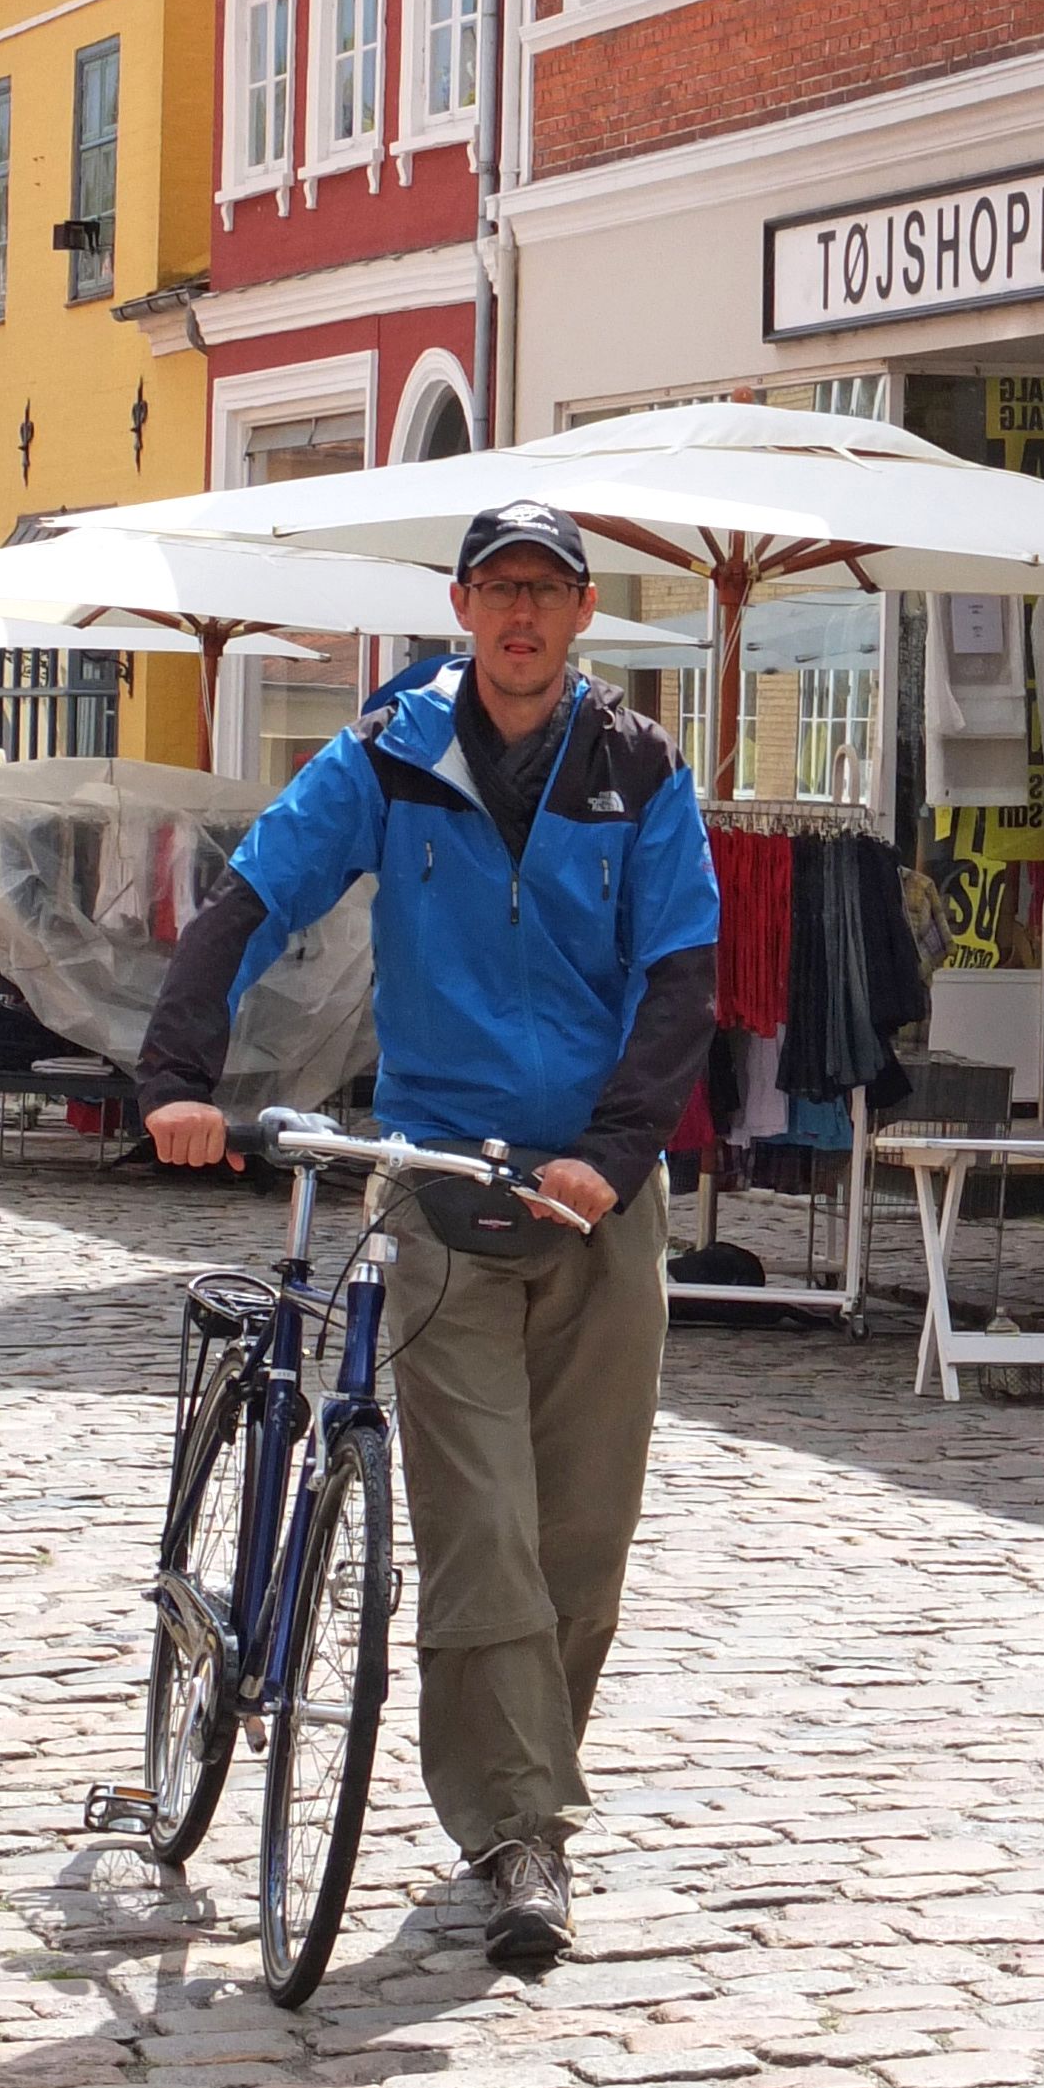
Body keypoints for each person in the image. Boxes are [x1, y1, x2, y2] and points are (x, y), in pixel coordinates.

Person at [136, 498, 717, 1973]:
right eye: (497, 592)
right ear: (460, 607)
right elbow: (257, 894)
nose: (522, 619)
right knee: (484, 1536)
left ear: (584, 613)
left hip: (596, 1195)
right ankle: (523, 1833)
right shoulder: (388, 754)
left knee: (584, 1536)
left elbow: (680, 985)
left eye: (549, 594)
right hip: (440, 1180)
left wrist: (611, 1155)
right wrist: (176, 1074)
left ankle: (521, 1788)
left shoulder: (640, 772)